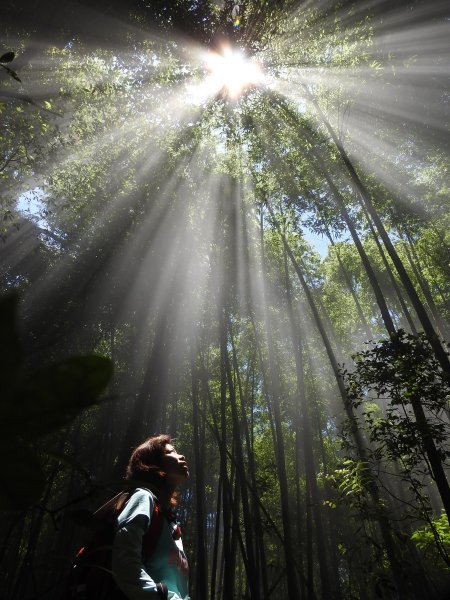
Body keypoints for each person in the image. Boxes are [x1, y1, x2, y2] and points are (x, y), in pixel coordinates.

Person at [112, 435, 190, 600]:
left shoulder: (171, 523)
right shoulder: (143, 497)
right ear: (152, 465)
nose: (181, 456)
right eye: (172, 452)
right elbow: (125, 562)